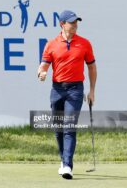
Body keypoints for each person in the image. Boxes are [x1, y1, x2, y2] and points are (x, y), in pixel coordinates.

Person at [37, 10, 97, 180]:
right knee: (58, 129)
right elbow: (43, 66)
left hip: (75, 89)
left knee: (69, 127)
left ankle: (67, 166)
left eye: (76, 22)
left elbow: (92, 67)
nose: (75, 25)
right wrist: (41, 73)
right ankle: (63, 161)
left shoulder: (85, 43)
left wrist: (92, 91)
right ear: (62, 24)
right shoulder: (51, 44)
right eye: (72, 22)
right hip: (57, 89)